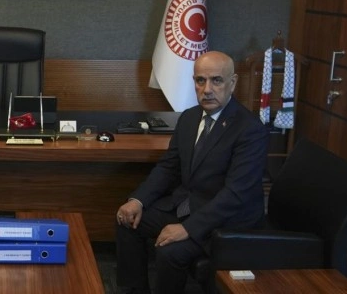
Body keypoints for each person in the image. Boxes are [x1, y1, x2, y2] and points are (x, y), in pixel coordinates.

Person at [115, 51, 268, 294]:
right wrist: (138, 200)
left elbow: (235, 194)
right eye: (200, 80)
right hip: (188, 205)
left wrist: (188, 228)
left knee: (169, 251)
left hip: (225, 220)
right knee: (127, 221)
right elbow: (169, 167)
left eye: (216, 80)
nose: (207, 89)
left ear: (233, 83)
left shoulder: (249, 129)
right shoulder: (189, 117)